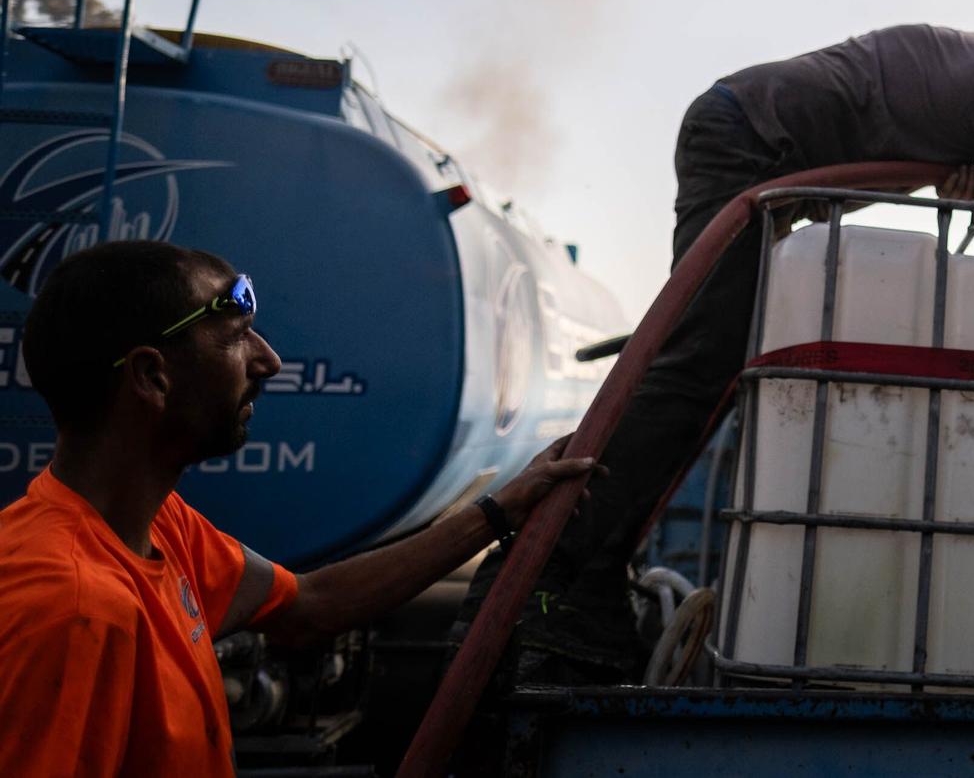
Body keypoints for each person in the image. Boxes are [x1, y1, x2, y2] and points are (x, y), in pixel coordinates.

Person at [464, 0, 974, 682]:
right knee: (697, 369)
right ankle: (547, 576)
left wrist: (949, 163)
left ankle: (575, 574)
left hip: (746, 137)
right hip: (748, 146)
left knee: (711, 364)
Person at [0, 240, 599, 777]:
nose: (269, 361)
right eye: (237, 334)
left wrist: (503, 509)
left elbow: (309, 605)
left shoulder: (156, 527)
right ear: (152, 377)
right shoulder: (72, 609)